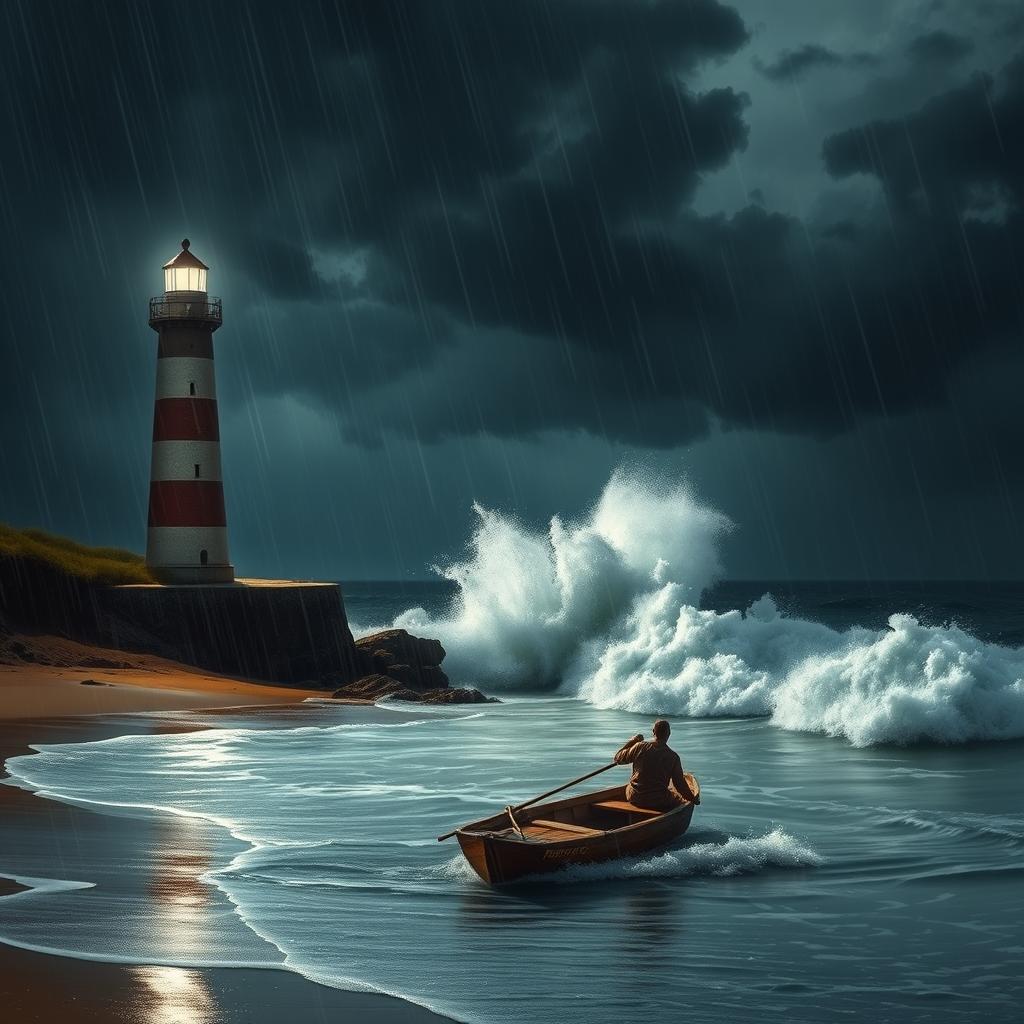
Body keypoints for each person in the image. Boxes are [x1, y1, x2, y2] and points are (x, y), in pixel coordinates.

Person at [613, 719, 699, 810]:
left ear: (653, 732)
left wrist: (633, 741)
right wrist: (693, 799)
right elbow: (680, 785)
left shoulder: (639, 746)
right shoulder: (673, 757)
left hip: (634, 796)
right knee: (680, 800)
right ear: (669, 734)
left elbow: (618, 758)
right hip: (658, 800)